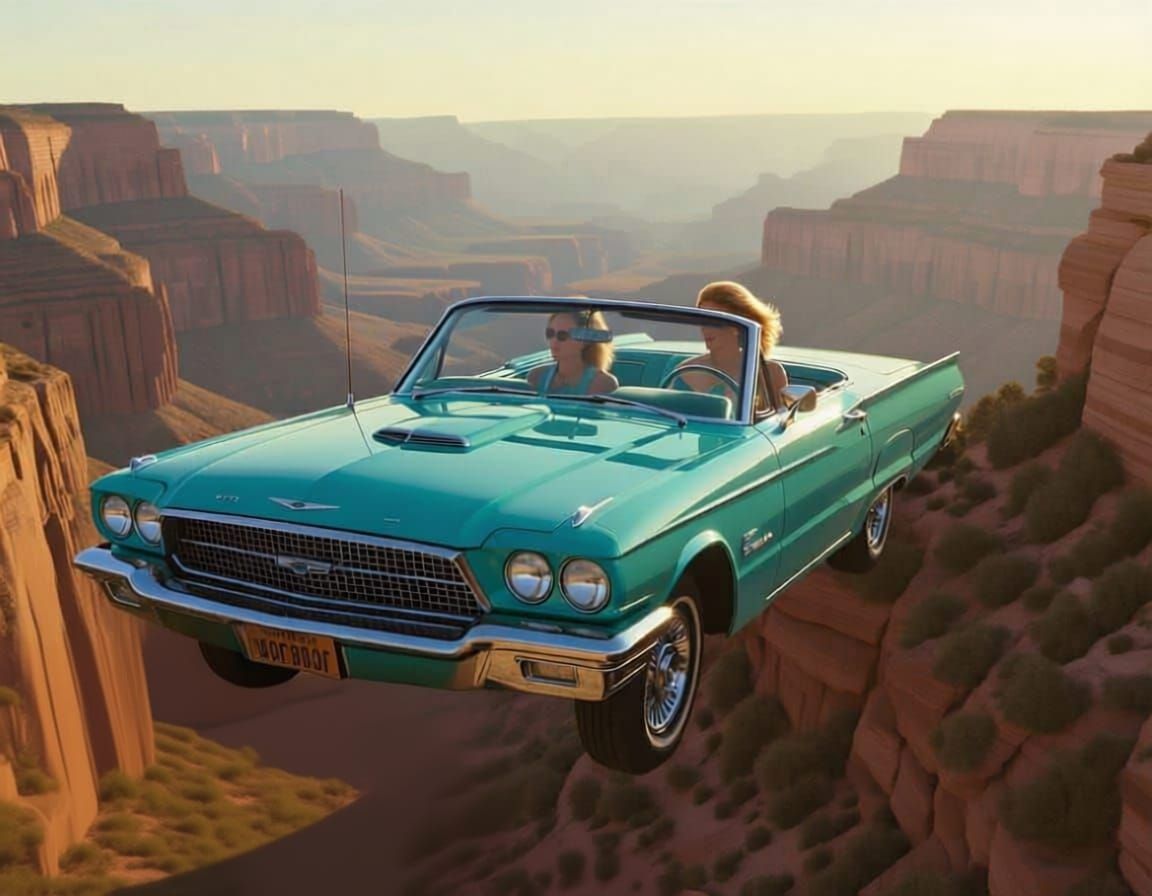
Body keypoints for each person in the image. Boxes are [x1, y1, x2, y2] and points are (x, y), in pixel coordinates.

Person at [674, 281, 788, 411]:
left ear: (737, 325)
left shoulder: (770, 373)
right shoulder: (685, 371)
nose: (705, 328)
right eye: (703, 319)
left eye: (714, 320)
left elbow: (780, 423)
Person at [527, 309, 618, 395]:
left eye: (562, 335)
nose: (554, 341)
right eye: (550, 333)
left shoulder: (602, 383)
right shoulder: (536, 376)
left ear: (585, 341)